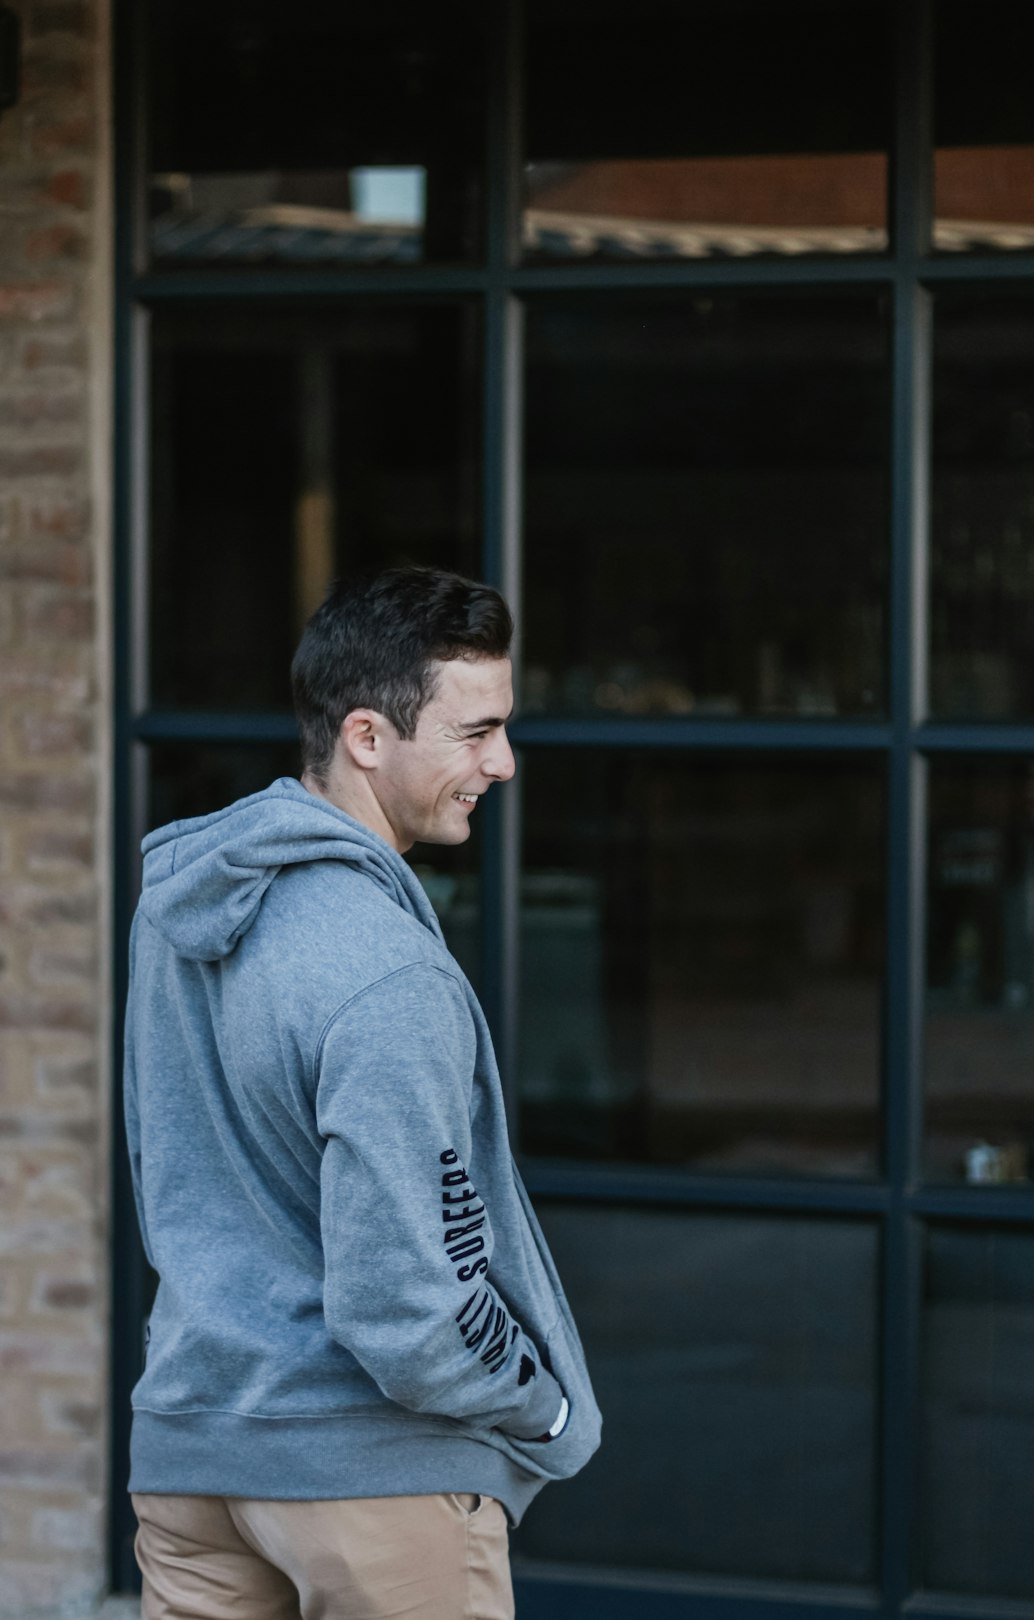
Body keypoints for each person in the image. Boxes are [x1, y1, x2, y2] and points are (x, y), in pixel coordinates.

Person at [123, 567, 601, 1620]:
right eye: (474, 733)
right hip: (370, 1479)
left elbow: (168, 1172)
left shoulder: (176, 914)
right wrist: (543, 1403)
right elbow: (406, 1304)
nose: (504, 763)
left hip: (193, 1459)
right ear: (368, 737)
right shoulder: (391, 977)